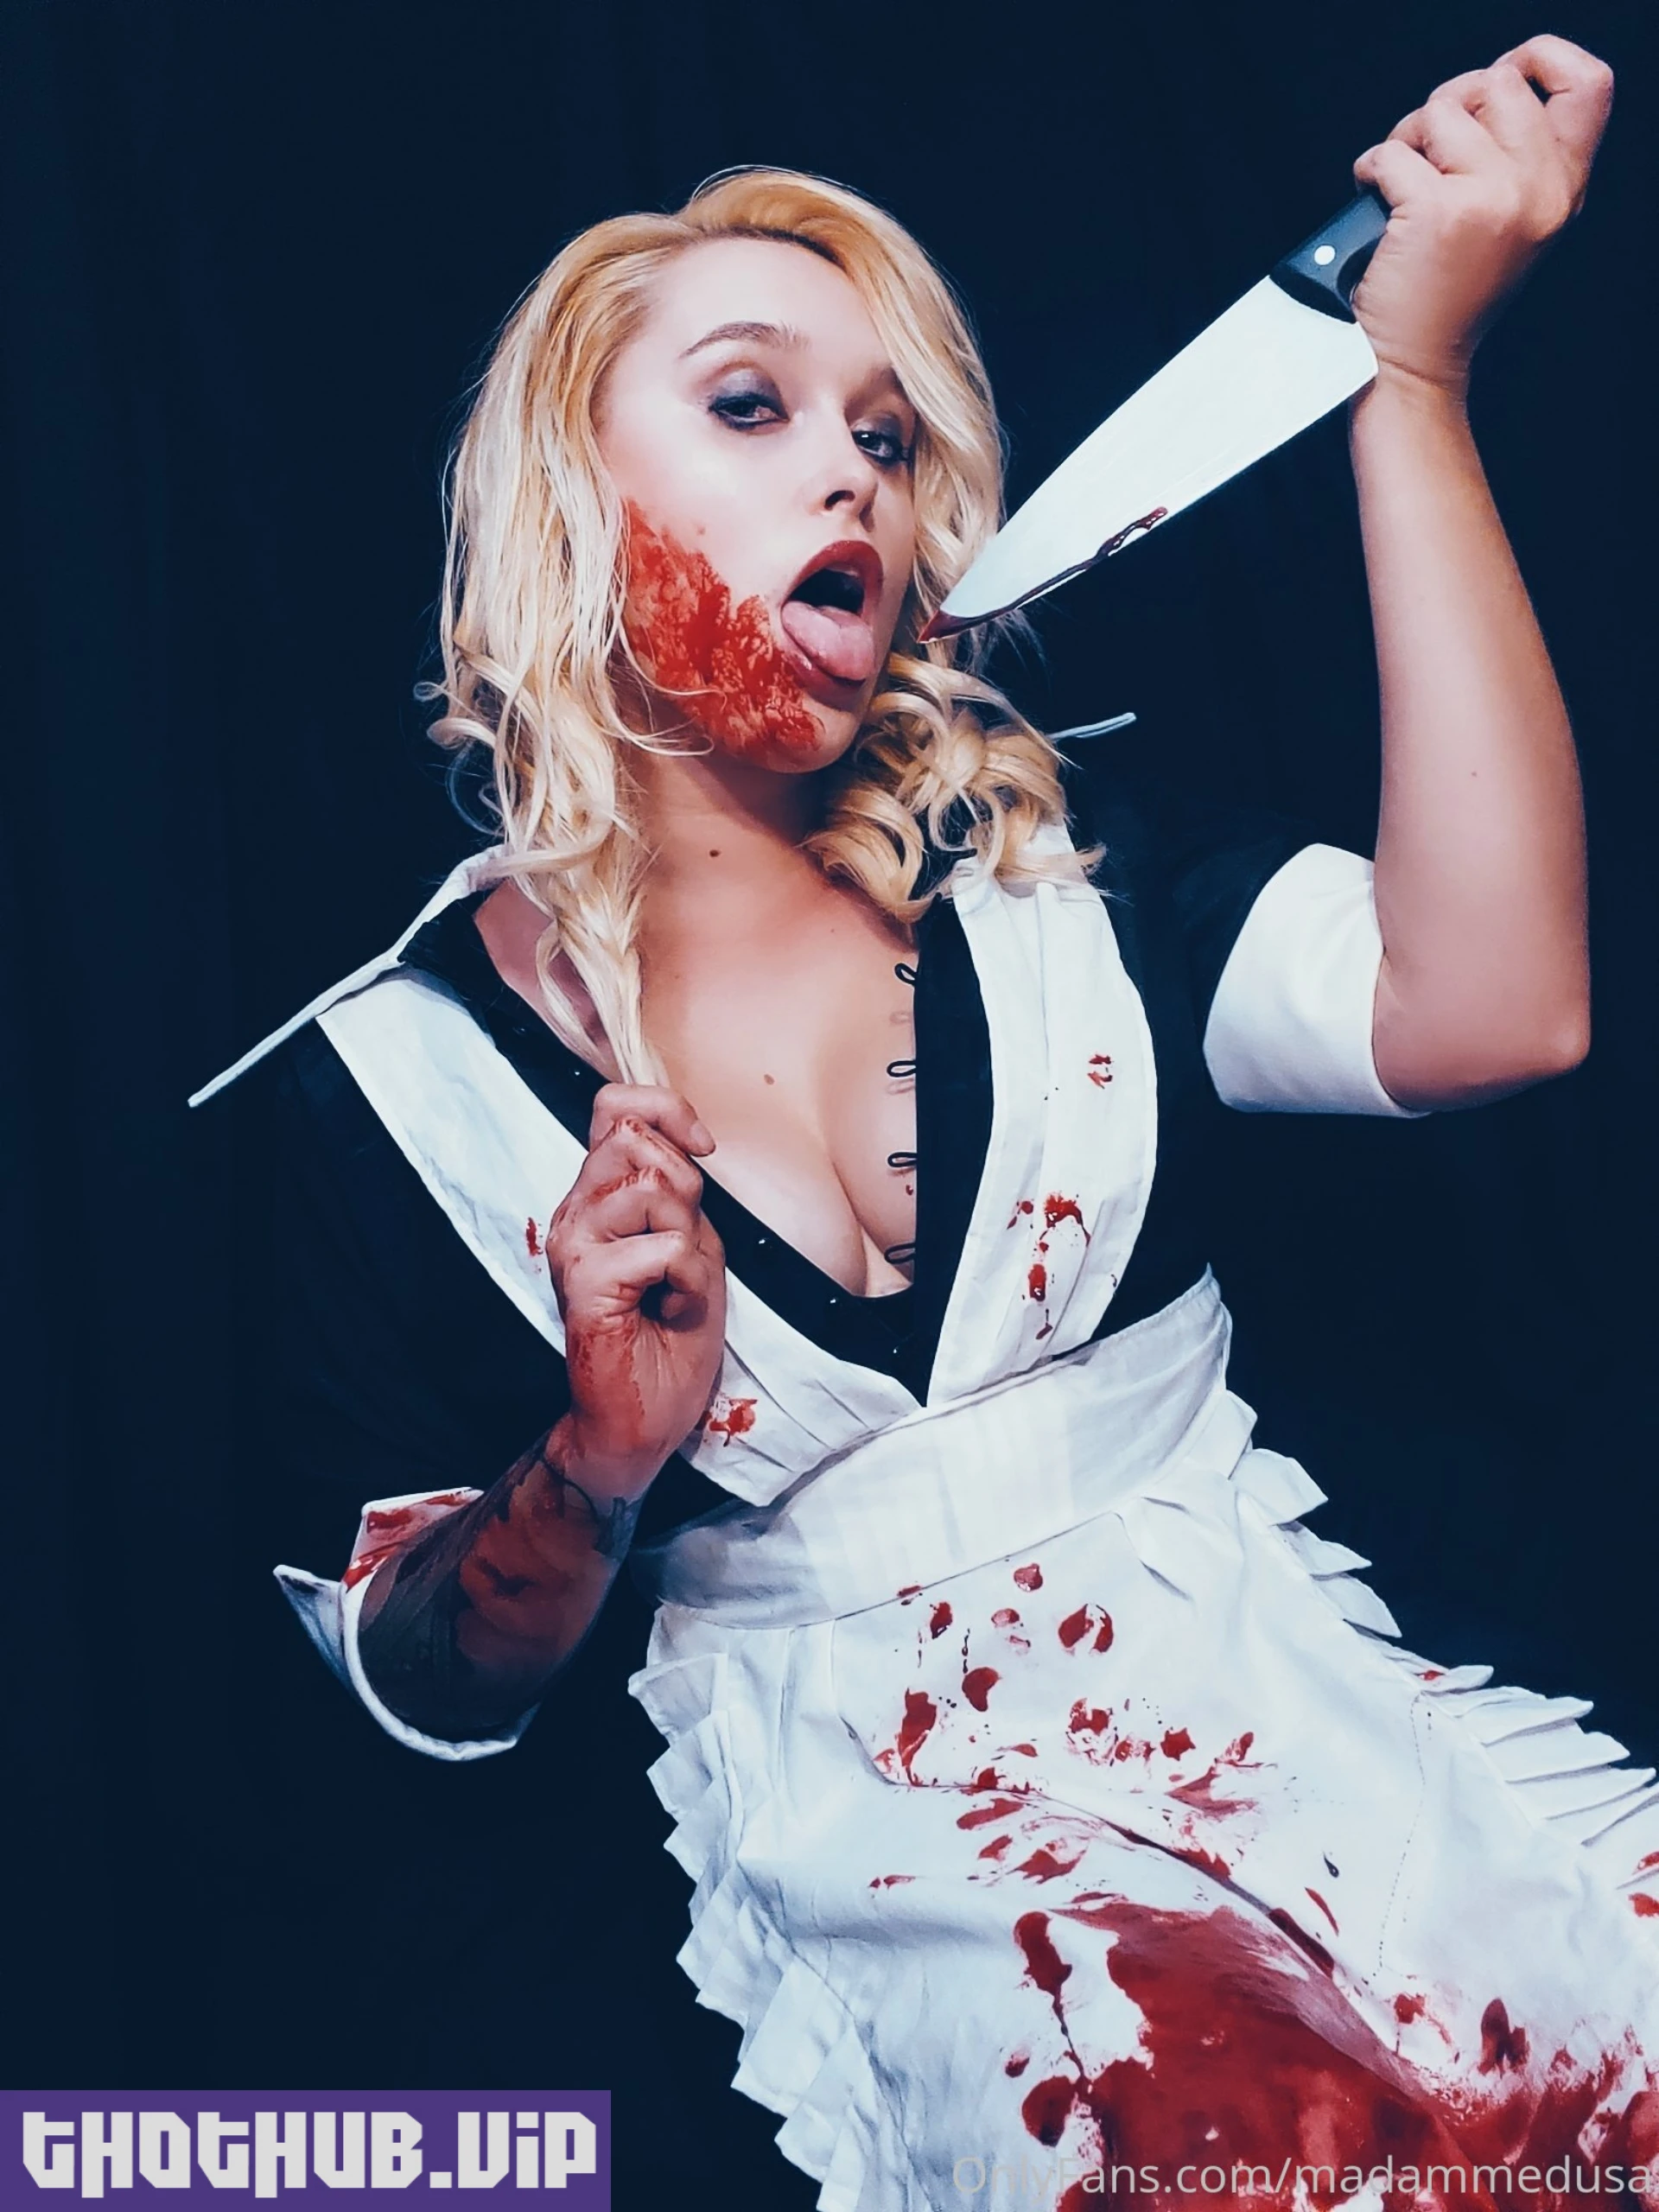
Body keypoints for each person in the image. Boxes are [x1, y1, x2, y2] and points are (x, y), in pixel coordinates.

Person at [199, 34, 1658, 2207]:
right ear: (566, 497)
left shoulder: (1062, 886)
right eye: (754, 405)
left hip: (1343, 1760)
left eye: (887, 436)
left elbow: (1500, 1005)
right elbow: (432, 1692)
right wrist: (600, 1456)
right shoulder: (399, 1087)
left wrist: (1410, 386)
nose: (853, 477)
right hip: (950, 1909)